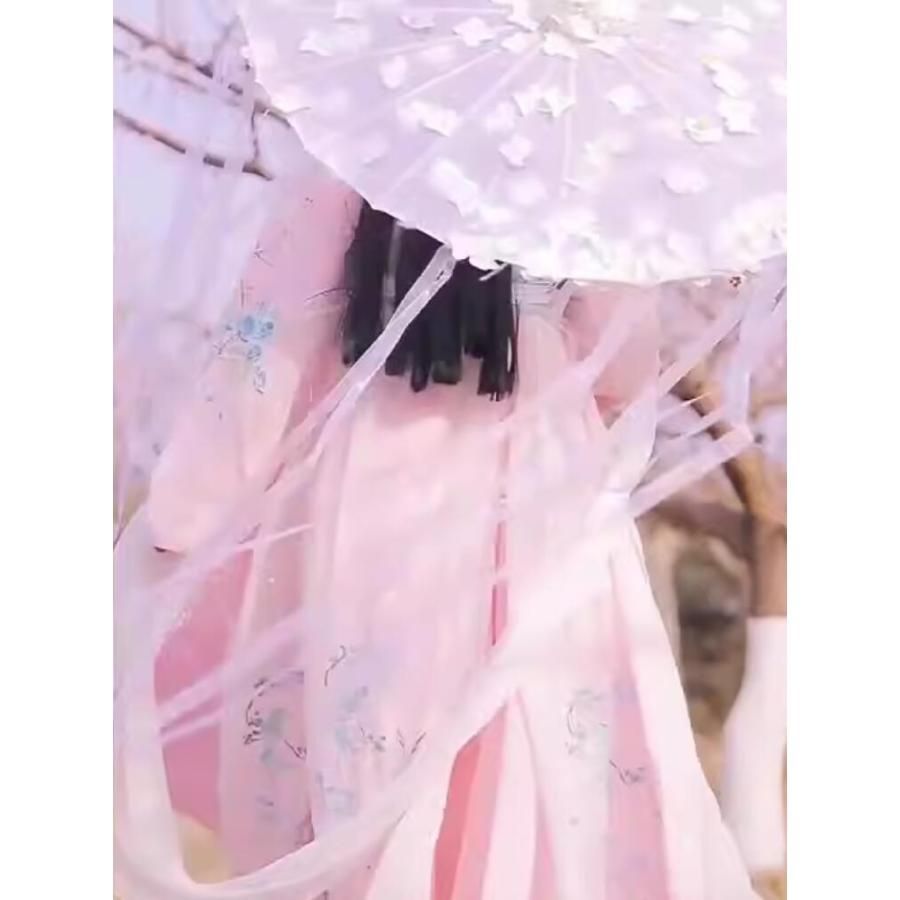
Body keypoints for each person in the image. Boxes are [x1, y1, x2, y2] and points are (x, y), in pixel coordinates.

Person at [118, 163, 760, 900]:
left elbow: (266, 343)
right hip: (547, 483)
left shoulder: (364, 147)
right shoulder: (580, 159)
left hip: (375, 485)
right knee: (533, 740)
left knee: (378, 748)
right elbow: (623, 369)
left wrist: (188, 508)